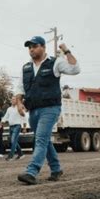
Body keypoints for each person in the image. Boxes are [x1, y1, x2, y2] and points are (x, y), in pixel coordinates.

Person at [15, 36, 80, 185]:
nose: (31, 49)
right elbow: (20, 88)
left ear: (43, 47)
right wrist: (19, 103)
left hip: (50, 108)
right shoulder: (25, 67)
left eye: (34, 46)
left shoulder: (55, 62)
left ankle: (32, 171)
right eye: (29, 47)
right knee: (43, 140)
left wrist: (66, 50)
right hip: (33, 110)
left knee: (41, 139)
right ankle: (56, 169)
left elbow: (75, 69)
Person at [0, 96, 26, 161]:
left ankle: (10, 156)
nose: (12, 100)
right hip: (11, 126)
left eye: (14, 99)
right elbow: (5, 117)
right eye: (12, 99)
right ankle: (21, 154)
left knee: (13, 140)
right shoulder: (9, 109)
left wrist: (24, 127)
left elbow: (24, 117)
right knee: (14, 141)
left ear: (16, 101)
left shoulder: (19, 108)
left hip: (17, 126)